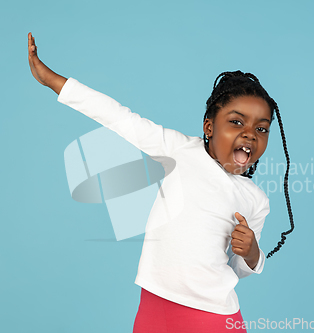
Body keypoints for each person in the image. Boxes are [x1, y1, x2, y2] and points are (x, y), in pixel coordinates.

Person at [27, 32, 294, 333]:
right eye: (236, 121)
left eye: (262, 128)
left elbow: (239, 269)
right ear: (209, 125)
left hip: (213, 317)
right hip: (154, 306)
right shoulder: (178, 149)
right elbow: (120, 118)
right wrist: (53, 81)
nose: (250, 134)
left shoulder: (255, 199)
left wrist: (251, 252)